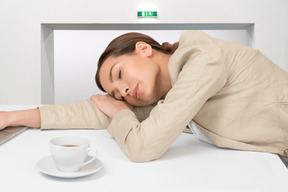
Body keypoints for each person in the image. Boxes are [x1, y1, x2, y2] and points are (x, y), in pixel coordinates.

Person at [1, 31, 288, 162]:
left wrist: (118, 112)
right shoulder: (170, 93)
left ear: (143, 48)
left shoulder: (203, 60)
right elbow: (98, 110)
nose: (123, 91)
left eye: (119, 74)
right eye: (118, 93)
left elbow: (143, 147)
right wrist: (15, 116)